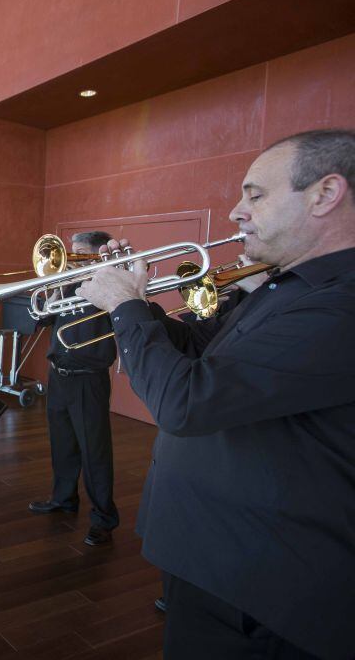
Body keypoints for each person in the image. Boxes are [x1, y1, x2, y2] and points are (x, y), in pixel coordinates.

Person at [76, 129, 355, 660]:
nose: (235, 212)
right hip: (212, 553)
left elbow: (185, 404)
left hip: (262, 585)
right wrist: (134, 298)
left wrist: (125, 308)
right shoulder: (285, 286)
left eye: (256, 195)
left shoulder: (339, 303)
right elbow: (200, 349)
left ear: (325, 194)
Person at [28, 231, 120, 547]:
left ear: (97, 253)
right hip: (59, 375)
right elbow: (41, 320)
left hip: (88, 378)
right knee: (62, 443)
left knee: (94, 451)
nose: (71, 259)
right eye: (71, 253)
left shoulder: (109, 286)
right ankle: (64, 498)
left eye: (79, 253)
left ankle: (104, 518)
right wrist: (54, 290)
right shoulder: (67, 283)